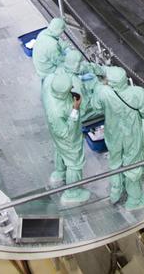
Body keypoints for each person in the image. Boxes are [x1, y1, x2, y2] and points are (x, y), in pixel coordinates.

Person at [98, 66, 144, 209]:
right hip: (131, 135)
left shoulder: (104, 93)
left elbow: (96, 107)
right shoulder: (137, 93)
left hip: (113, 135)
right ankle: (134, 200)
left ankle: (116, 192)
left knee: (115, 162)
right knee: (132, 165)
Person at [42, 74, 91, 204]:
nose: (72, 88)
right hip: (67, 138)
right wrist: (75, 109)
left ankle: (60, 172)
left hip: (56, 135)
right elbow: (65, 133)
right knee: (74, 164)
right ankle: (72, 193)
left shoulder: (48, 86)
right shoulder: (57, 111)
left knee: (60, 150)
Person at [46, 48, 101, 123]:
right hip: (77, 114)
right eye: (80, 62)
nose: (82, 64)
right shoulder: (77, 84)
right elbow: (83, 108)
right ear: (76, 64)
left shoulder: (60, 69)